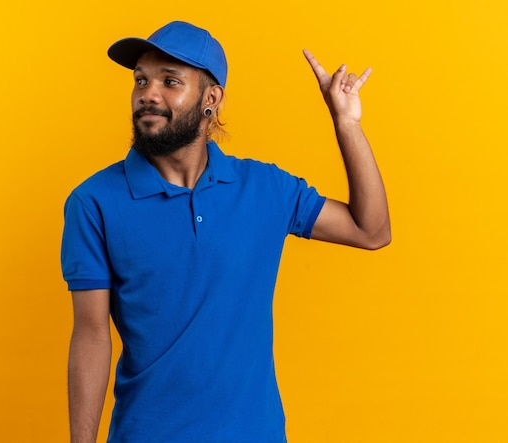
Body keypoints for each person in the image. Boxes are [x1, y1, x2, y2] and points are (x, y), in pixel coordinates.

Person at [61, 20, 390, 443]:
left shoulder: (266, 189)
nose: (148, 93)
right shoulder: (94, 202)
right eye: (140, 80)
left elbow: (372, 231)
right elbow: (90, 336)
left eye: (170, 81)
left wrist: (347, 124)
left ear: (210, 99)